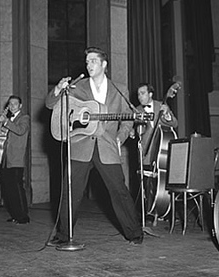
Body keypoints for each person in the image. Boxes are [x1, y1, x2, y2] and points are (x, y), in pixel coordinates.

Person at [45, 47, 143, 246]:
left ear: (104, 64)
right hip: (80, 145)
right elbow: (50, 105)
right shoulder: (77, 86)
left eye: (93, 61)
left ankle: (134, 233)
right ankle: (64, 235)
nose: (88, 65)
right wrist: (57, 89)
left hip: (107, 146)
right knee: (71, 192)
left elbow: (127, 119)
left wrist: (120, 137)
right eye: (87, 61)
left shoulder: (118, 89)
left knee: (119, 191)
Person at [0, 95, 31, 224]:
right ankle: (15, 214)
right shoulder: (8, 119)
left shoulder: (24, 118)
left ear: (20, 106)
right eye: (10, 104)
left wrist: (6, 122)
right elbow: (6, 140)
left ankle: (23, 216)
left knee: (17, 188)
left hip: (16, 159)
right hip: (5, 159)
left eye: (15, 104)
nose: (12, 106)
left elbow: (20, 131)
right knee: (9, 189)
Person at [134, 83, 178, 166]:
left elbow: (175, 123)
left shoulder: (161, 106)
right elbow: (137, 131)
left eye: (142, 93)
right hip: (146, 154)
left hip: (163, 152)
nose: (139, 97)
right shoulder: (137, 110)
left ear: (150, 94)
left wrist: (167, 116)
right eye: (138, 94)